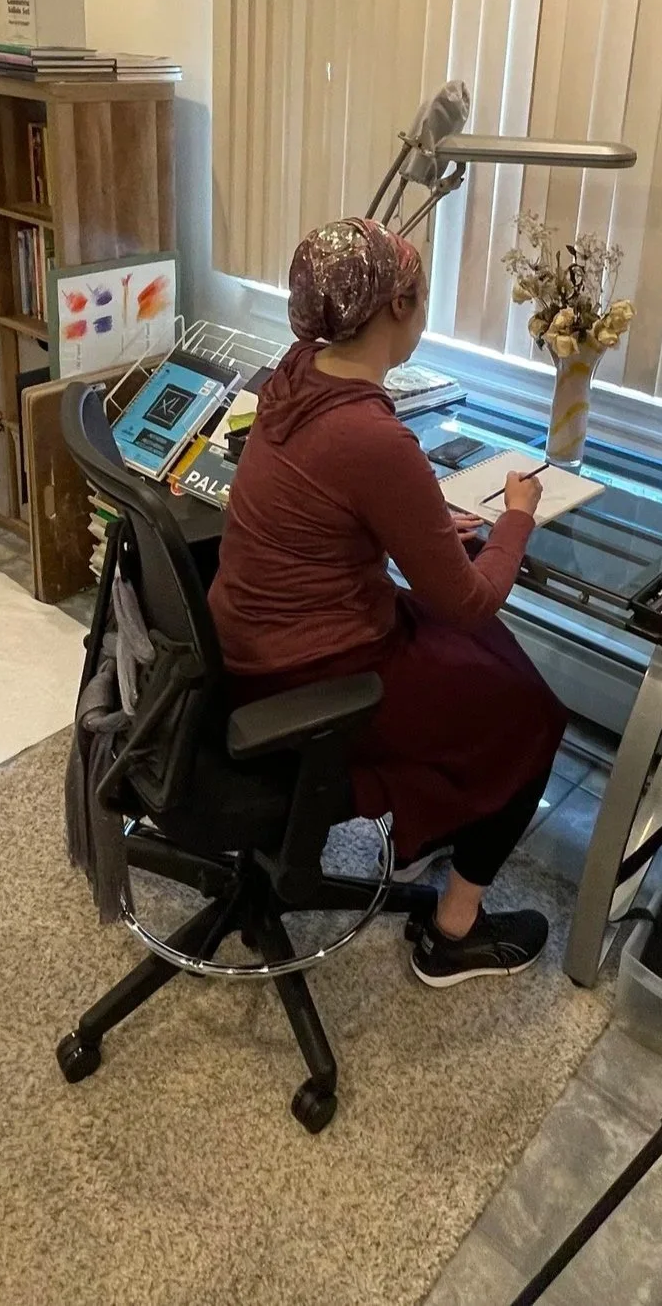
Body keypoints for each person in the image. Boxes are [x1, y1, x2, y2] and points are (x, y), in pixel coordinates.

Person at [210, 217, 569, 987]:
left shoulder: (296, 372)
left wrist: (427, 519)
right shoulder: (370, 436)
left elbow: (336, 492)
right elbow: (472, 600)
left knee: (486, 663)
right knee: (534, 713)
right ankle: (454, 931)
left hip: (257, 642)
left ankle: (437, 821)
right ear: (402, 306)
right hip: (313, 673)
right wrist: (517, 515)